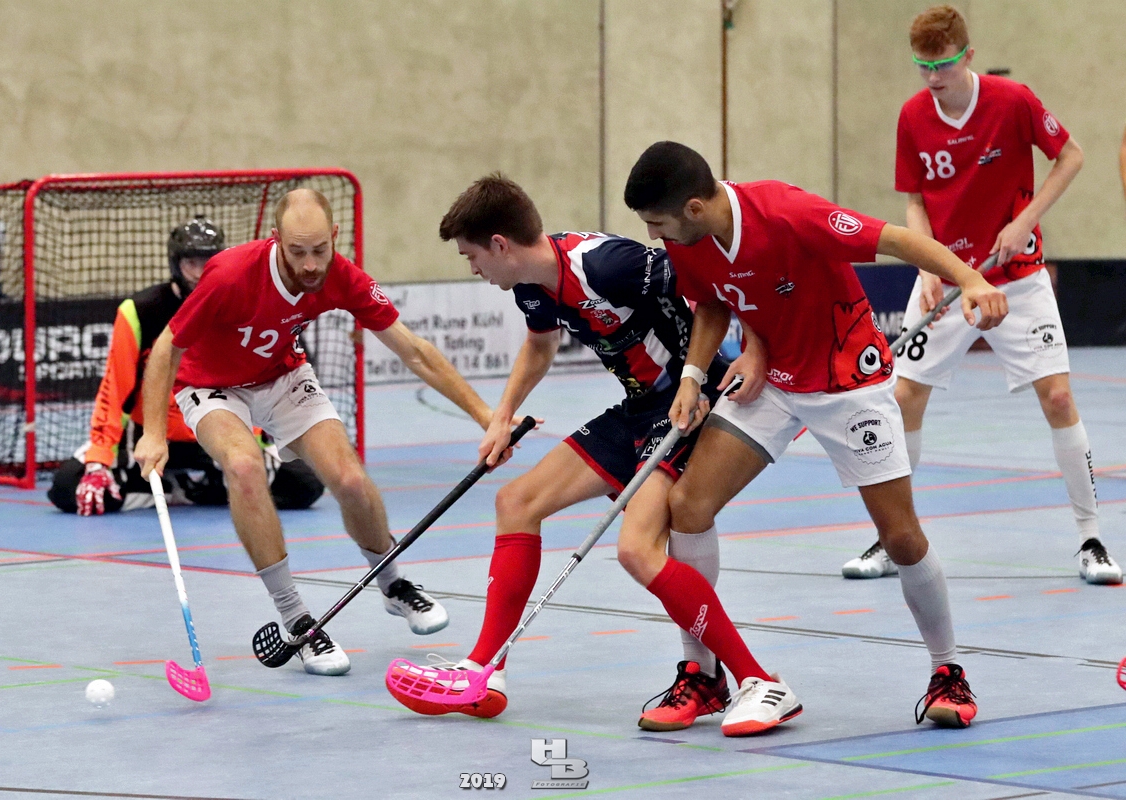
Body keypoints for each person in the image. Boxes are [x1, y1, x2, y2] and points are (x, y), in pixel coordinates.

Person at [625, 141, 1008, 732]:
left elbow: (896, 240)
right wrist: (695, 376)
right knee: (688, 506)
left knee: (901, 537)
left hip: (847, 380)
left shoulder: (788, 213)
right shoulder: (688, 240)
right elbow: (713, 304)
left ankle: (947, 670)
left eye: (657, 223)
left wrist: (971, 279)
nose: (653, 236)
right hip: (774, 382)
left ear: (694, 208)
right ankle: (703, 675)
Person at [388, 174, 747, 730]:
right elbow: (540, 343)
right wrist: (502, 417)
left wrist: (727, 364)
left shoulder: (607, 265)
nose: (473, 269)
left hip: (686, 408)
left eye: (472, 256)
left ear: (500, 245)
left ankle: (748, 679)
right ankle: (484, 670)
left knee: (642, 547)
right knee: (516, 501)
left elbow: (711, 285)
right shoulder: (532, 285)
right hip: (637, 410)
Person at [134, 189, 496, 677]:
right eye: (297, 251)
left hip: (282, 376)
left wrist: (486, 415)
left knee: (349, 480)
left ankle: (393, 584)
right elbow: (166, 348)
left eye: (319, 250)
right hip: (210, 386)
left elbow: (414, 350)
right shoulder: (229, 274)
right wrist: (154, 433)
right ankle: (298, 621)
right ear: (275, 239)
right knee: (243, 466)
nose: (309, 265)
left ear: (334, 237)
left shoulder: (343, 277)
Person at [840, 5, 1120, 585]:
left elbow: (1071, 155)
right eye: (922, 67)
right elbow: (915, 199)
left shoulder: (1012, 101)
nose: (933, 77)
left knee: (1058, 397)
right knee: (904, 398)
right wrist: (926, 263)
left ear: (967, 56)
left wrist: (1026, 220)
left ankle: (1091, 539)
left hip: (1017, 276)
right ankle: (894, 539)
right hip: (946, 277)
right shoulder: (913, 116)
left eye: (942, 64)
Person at [48, 216, 324, 516]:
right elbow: (115, 389)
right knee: (68, 486)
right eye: (191, 262)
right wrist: (99, 458)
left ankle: (186, 490)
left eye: (207, 262)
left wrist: (251, 442)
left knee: (305, 484)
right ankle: (184, 488)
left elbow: (254, 382)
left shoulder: (243, 303)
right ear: (175, 263)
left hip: (215, 432)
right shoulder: (140, 311)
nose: (198, 272)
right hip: (150, 436)